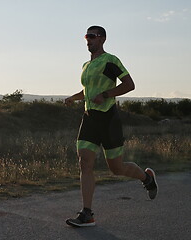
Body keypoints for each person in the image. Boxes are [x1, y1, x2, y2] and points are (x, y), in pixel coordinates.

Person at [64, 26, 158, 227]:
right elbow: (88, 91)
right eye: (86, 36)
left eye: (92, 36)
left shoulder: (110, 61)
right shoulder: (86, 65)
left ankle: (147, 178)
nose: (88, 40)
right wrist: (74, 97)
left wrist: (106, 95)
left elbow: (129, 84)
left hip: (108, 119)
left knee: (116, 168)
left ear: (102, 39)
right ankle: (87, 213)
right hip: (89, 117)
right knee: (84, 162)